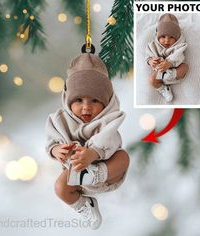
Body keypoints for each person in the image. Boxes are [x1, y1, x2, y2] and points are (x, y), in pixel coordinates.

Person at [45, 53, 130, 230]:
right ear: (68, 101)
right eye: (78, 100)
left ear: (105, 103)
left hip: (106, 171)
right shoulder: (60, 120)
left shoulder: (108, 119)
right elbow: (51, 140)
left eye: (94, 100)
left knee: (123, 157)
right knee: (60, 187)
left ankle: (95, 173)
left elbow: (112, 140)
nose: (86, 106)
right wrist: (55, 150)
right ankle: (84, 204)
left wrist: (92, 153)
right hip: (76, 174)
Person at [146, 13, 189, 102]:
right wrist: (151, 61)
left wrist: (169, 63)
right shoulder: (153, 45)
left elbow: (179, 56)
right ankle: (163, 89)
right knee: (151, 79)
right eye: (163, 36)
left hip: (174, 70)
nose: (166, 40)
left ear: (176, 38)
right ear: (157, 36)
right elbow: (148, 56)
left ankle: (170, 75)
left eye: (171, 37)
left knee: (185, 67)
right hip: (160, 72)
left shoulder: (179, 45)